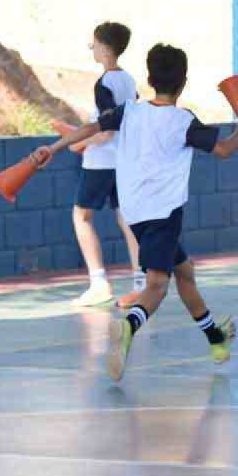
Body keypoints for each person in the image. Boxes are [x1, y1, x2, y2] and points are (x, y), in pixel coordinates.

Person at [34, 43, 238, 382]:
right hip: (164, 212)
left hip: (136, 213)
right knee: (157, 285)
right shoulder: (183, 120)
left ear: (149, 78)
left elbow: (90, 129)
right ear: (183, 82)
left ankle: (216, 338)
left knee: (185, 272)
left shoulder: (130, 112)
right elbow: (223, 150)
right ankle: (128, 327)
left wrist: (53, 147)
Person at [67, 22, 144, 308]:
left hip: (100, 163)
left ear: (106, 49)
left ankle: (99, 282)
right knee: (127, 220)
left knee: (81, 217)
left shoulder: (104, 84)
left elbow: (108, 128)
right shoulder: (129, 80)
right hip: (124, 160)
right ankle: (141, 282)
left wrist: (81, 143)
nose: (92, 47)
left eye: (95, 43)